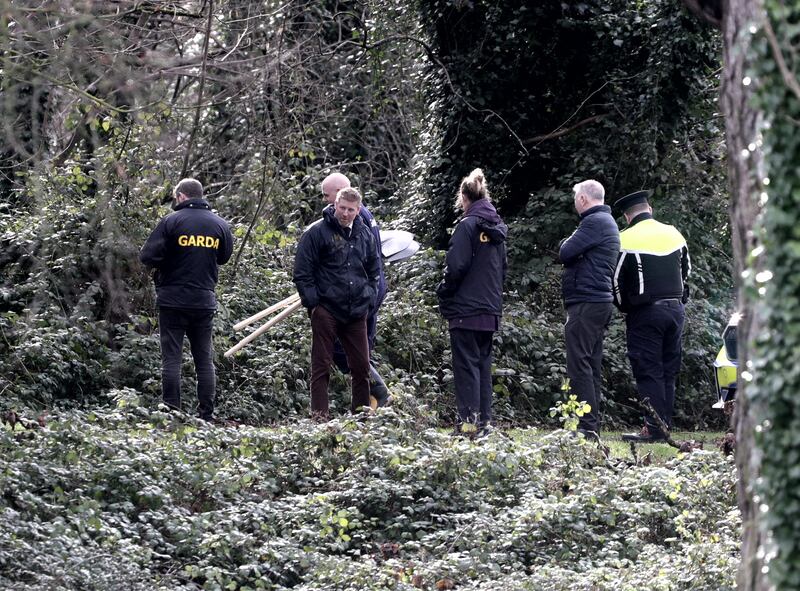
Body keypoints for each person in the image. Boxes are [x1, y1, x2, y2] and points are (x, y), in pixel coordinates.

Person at [140, 178, 234, 421]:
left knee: (171, 359)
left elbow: (147, 255)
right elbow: (223, 257)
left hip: (172, 300)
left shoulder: (171, 221)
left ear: (181, 196)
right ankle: (206, 416)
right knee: (204, 359)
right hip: (203, 301)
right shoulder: (219, 224)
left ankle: (172, 413)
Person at [293, 186, 381, 419]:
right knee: (321, 366)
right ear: (335, 206)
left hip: (356, 311)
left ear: (358, 210)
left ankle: (361, 418)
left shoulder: (365, 234)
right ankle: (320, 418)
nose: (345, 213)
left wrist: (369, 297)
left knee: (362, 367)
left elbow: (375, 270)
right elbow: (302, 271)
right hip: (326, 309)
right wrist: (314, 304)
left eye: (350, 210)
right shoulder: (316, 232)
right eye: (342, 208)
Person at [612, 190, 691, 442]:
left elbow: (616, 281)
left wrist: (626, 307)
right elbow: (686, 270)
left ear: (626, 216)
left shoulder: (624, 239)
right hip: (675, 309)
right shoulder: (673, 232)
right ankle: (664, 424)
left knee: (648, 371)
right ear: (650, 209)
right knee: (669, 370)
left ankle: (654, 430)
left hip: (645, 311)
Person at [437, 169, 507, 438]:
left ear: (464, 198)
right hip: (489, 309)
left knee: (466, 367)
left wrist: (443, 291)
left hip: (465, 309)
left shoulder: (466, 226)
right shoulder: (497, 230)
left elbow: (456, 266)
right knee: (482, 366)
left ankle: (468, 425)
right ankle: (484, 424)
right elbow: (503, 269)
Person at [320, 172, 390, 407]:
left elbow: (361, 258)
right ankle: (368, 406)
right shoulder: (361, 214)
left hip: (364, 290)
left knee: (345, 346)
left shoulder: (357, 218)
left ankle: (378, 392)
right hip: (366, 287)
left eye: (326, 195)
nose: (325, 201)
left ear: (340, 192)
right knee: (361, 347)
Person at [558, 179, 620, 437]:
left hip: (587, 301)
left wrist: (570, 246)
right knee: (590, 365)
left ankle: (585, 427)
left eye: (576, 198)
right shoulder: (606, 222)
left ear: (583, 199)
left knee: (579, 364)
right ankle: (590, 425)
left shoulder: (594, 222)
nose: (575, 203)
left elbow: (565, 251)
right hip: (598, 301)